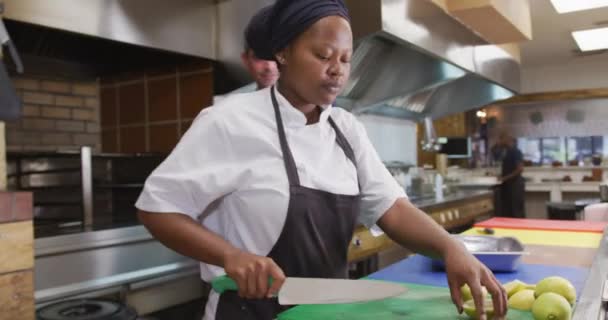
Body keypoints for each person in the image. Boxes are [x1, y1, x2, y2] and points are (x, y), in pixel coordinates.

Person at [135, 1, 507, 319]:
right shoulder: (229, 121)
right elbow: (157, 208)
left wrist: (450, 247)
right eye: (323, 56)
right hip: (250, 312)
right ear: (283, 52)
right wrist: (230, 256)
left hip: (328, 312)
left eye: (346, 59)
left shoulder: (346, 128)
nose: (338, 70)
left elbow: (391, 208)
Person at [241, 5, 279, 90]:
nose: (269, 67)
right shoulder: (232, 102)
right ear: (245, 60)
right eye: (259, 56)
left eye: (278, 55)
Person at [498, 131, 526, 218]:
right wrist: (502, 176)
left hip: (515, 185)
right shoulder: (506, 152)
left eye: (501, 138)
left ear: (507, 139)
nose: (499, 141)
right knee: (508, 212)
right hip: (509, 185)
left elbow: (520, 169)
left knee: (516, 212)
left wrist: (505, 178)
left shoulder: (516, 151)